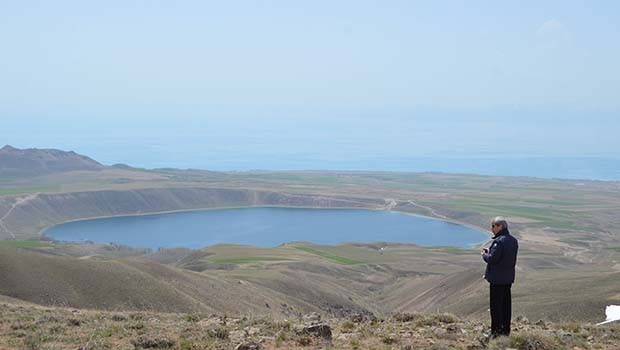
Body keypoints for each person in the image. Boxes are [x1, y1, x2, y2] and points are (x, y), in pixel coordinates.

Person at [481, 216, 518, 338]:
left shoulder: (499, 241)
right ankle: (505, 331)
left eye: (493, 226)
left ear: (500, 227)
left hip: (497, 280)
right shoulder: (513, 240)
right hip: (507, 279)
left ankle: (496, 332)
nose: (492, 229)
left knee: (496, 306)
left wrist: (484, 255)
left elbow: (493, 259)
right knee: (506, 305)